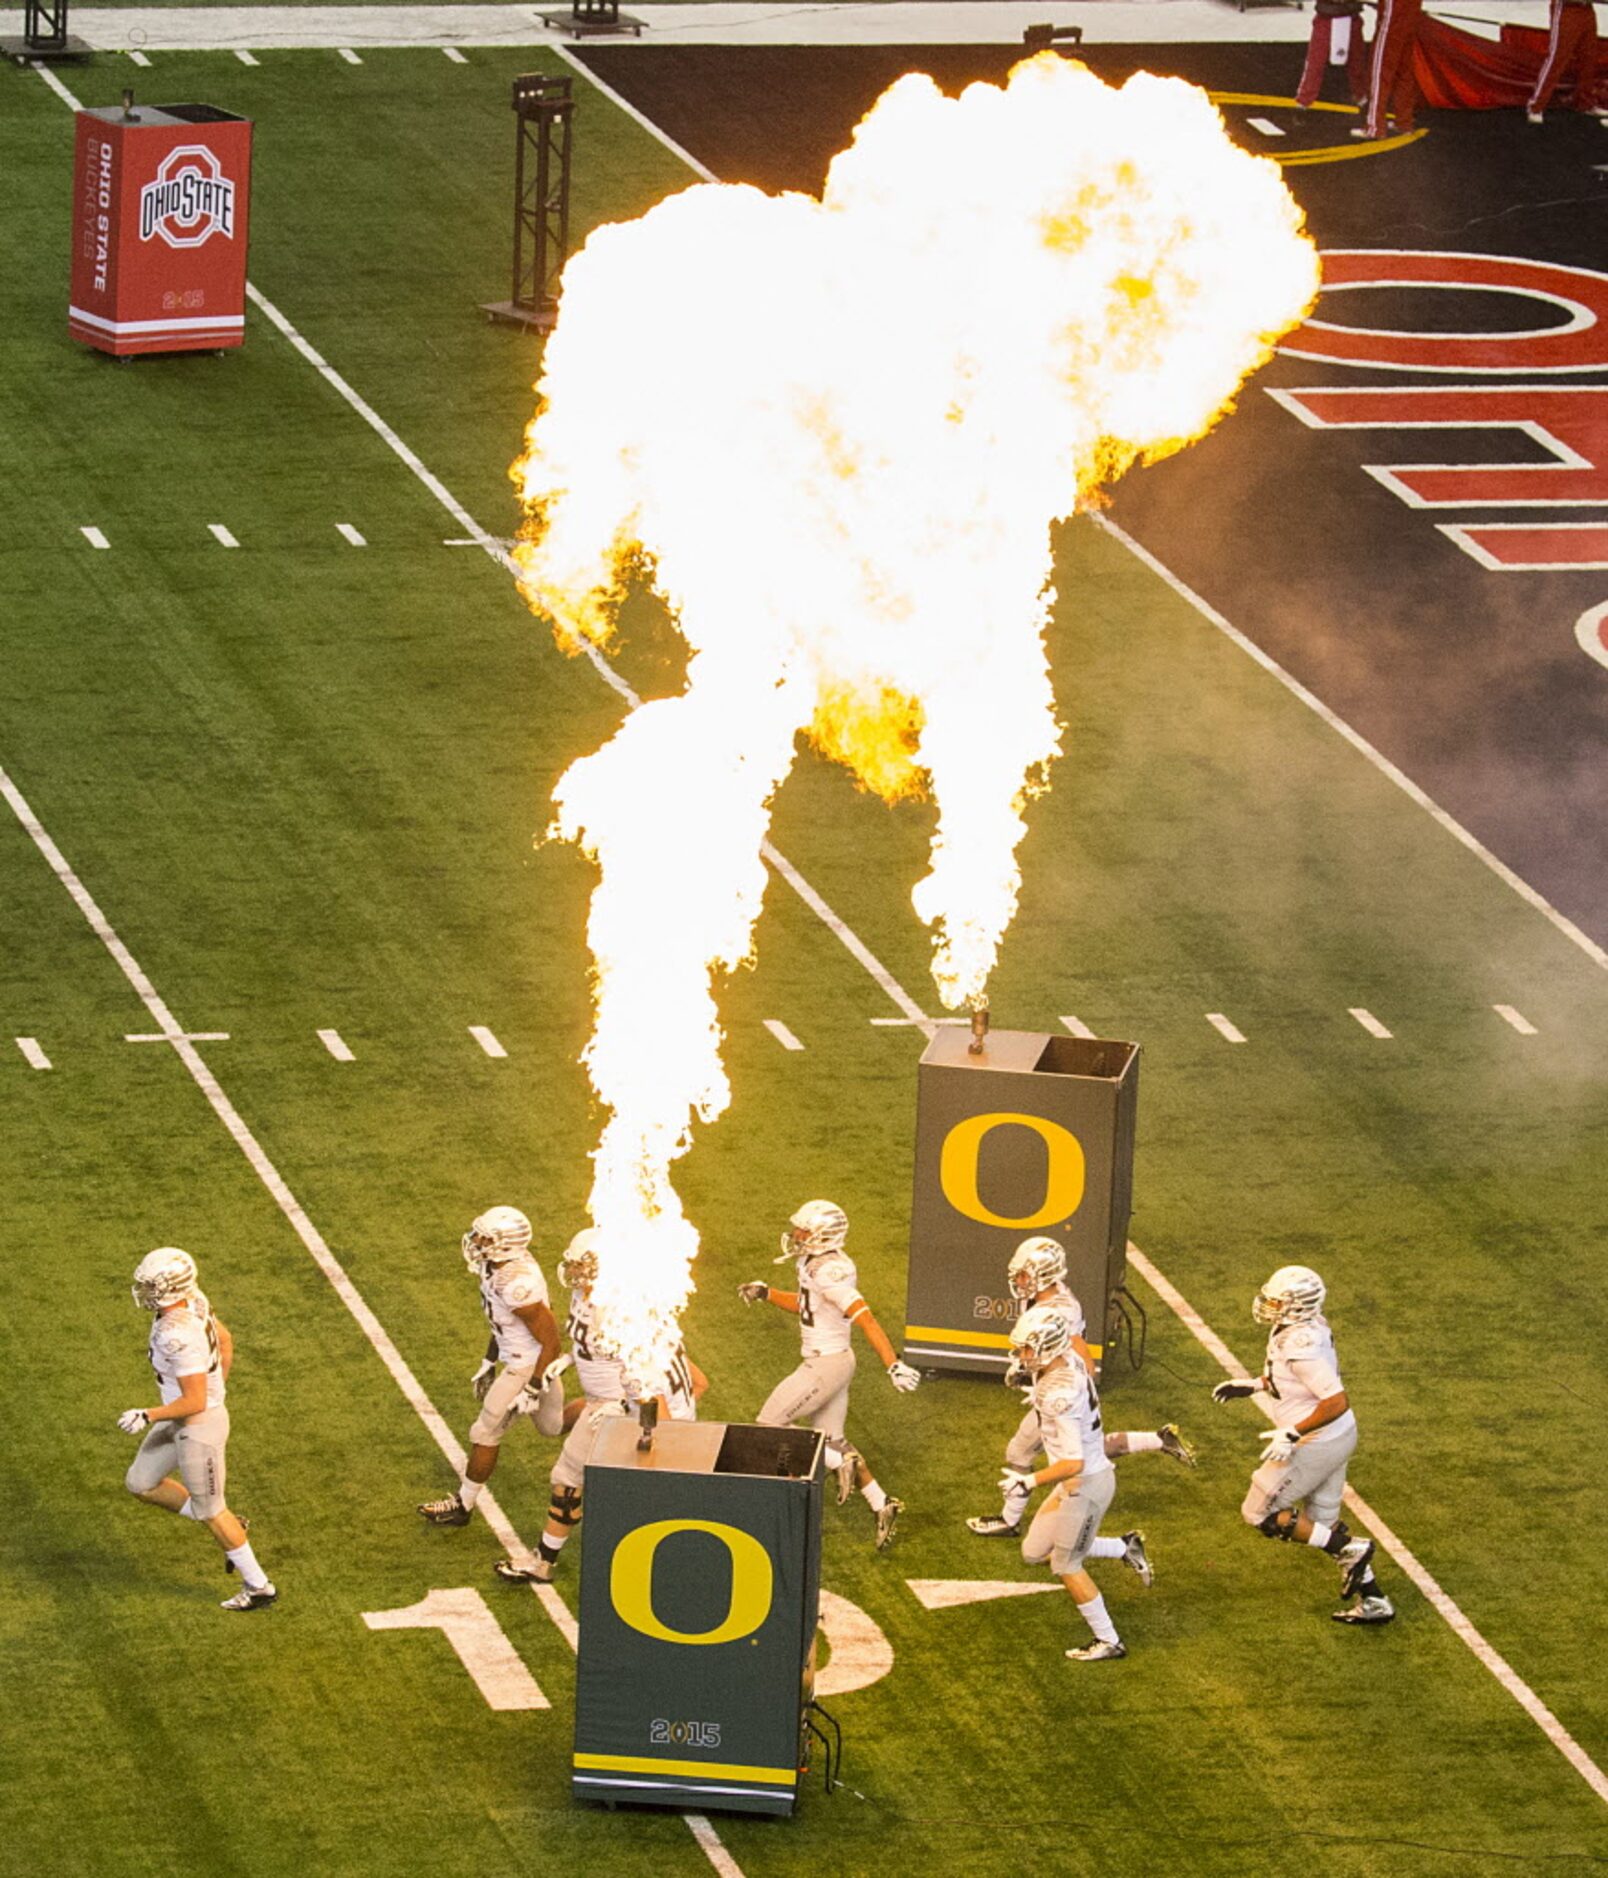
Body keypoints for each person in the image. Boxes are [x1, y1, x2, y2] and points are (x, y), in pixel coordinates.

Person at [494, 1229, 708, 1584]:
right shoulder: (596, 1296)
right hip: (614, 1402)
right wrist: (567, 1361)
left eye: (583, 1267)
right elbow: (693, 1377)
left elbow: (650, 1380)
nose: (576, 1274)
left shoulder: (619, 1312)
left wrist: (649, 1423)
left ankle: (546, 1562)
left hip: (623, 1406)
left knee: (571, 1480)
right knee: (620, 1490)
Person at [968, 1237, 1195, 1539]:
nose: (1018, 1280)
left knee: (1024, 1454)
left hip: (1062, 1391)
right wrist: (1025, 1370)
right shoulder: (1040, 1298)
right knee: (1090, 1450)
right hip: (1062, 1387)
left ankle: (1010, 1521)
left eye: (1024, 1274)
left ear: (1044, 1274)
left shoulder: (1061, 1309)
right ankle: (1159, 1438)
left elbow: (1084, 1358)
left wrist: (1060, 1394)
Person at [1212, 1264, 1393, 1624]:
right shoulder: (1302, 1330)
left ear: (1298, 1305)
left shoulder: (1301, 1343)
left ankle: (1352, 1549)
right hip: (1339, 1434)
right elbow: (1290, 1377)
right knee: (1320, 1523)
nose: (1268, 1304)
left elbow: (1335, 1399)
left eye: (1277, 1301)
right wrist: (1255, 1385)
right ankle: (1374, 1600)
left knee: (1257, 1512)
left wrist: (1293, 1432)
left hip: (1318, 1438)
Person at [738, 1199, 920, 1550]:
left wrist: (891, 1363)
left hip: (825, 1364)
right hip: (835, 1361)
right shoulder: (815, 1263)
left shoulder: (830, 1272)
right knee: (832, 1438)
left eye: (804, 1231)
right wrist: (767, 1293)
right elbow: (806, 1304)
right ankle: (881, 1503)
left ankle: (839, 1462)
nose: (796, 1234)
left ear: (822, 1235)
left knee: (770, 1425)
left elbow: (865, 1317)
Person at [118, 1247, 276, 1611]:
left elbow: (194, 1402)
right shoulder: (194, 1300)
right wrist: (217, 1387)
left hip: (196, 1426)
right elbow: (225, 1340)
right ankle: (231, 1523)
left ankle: (258, 1586)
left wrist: (148, 1414)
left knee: (210, 1511)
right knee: (141, 1483)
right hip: (183, 1418)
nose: (146, 1291)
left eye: (152, 1285)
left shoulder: (177, 1335)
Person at [1005, 1304, 1150, 1663]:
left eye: (1027, 1348)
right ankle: (1123, 1547)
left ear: (1048, 1347)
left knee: (1066, 1564)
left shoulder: (1060, 1394)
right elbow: (1083, 1365)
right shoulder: (1064, 1362)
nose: (1022, 1355)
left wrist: (1029, 1480)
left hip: (1085, 1484)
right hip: (1074, 1482)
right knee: (1033, 1552)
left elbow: (1074, 1461)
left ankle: (1108, 1639)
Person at [417, 1206, 562, 1528]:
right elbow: (503, 1325)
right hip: (522, 1361)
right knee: (553, 1426)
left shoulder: (516, 1283)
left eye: (486, 1237)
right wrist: (489, 1359)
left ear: (506, 1243)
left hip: (528, 1367)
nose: (477, 1241)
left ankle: (462, 1506)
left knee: (485, 1432)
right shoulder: (497, 1267)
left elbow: (552, 1342)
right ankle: (609, 1419)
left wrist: (533, 1385)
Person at [1353, 0, 1424, 138]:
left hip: (1393, 17)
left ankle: (1374, 126)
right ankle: (1404, 122)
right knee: (1404, 70)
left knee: (1379, 71)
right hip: (1409, 15)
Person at [1526, 0, 1605, 123]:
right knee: (1557, 57)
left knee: (1588, 58)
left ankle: (1585, 103)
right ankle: (1536, 106)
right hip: (1567, 9)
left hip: (1587, 10)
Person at [1297, 0, 1369, 110]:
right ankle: (1304, 101)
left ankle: (1362, 98)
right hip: (1326, 17)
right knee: (1315, 62)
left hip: (1352, 16)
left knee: (1357, 63)